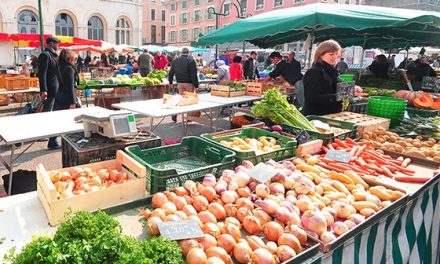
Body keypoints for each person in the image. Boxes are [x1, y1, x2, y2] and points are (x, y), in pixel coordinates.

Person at [303, 39, 343, 116]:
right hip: (318, 117)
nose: (335, 57)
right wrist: (338, 96)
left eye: (337, 54)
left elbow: (337, 86)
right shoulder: (314, 72)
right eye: (331, 54)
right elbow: (312, 97)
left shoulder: (332, 71)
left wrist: (351, 88)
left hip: (333, 115)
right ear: (320, 55)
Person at [37, 37, 61, 149]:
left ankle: (48, 134)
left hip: (55, 89)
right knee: (46, 112)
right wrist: (44, 90)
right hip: (49, 89)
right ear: (51, 44)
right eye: (56, 43)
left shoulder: (54, 55)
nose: (58, 45)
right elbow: (42, 74)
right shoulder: (45, 55)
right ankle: (41, 134)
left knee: (52, 113)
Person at [168, 47, 199, 122]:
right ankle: (188, 117)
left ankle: (175, 113)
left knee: (180, 99)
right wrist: (196, 86)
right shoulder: (191, 61)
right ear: (188, 53)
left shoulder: (175, 61)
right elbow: (193, 75)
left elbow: (171, 73)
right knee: (189, 100)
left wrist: (171, 82)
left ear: (181, 53)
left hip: (180, 83)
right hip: (188, 83)